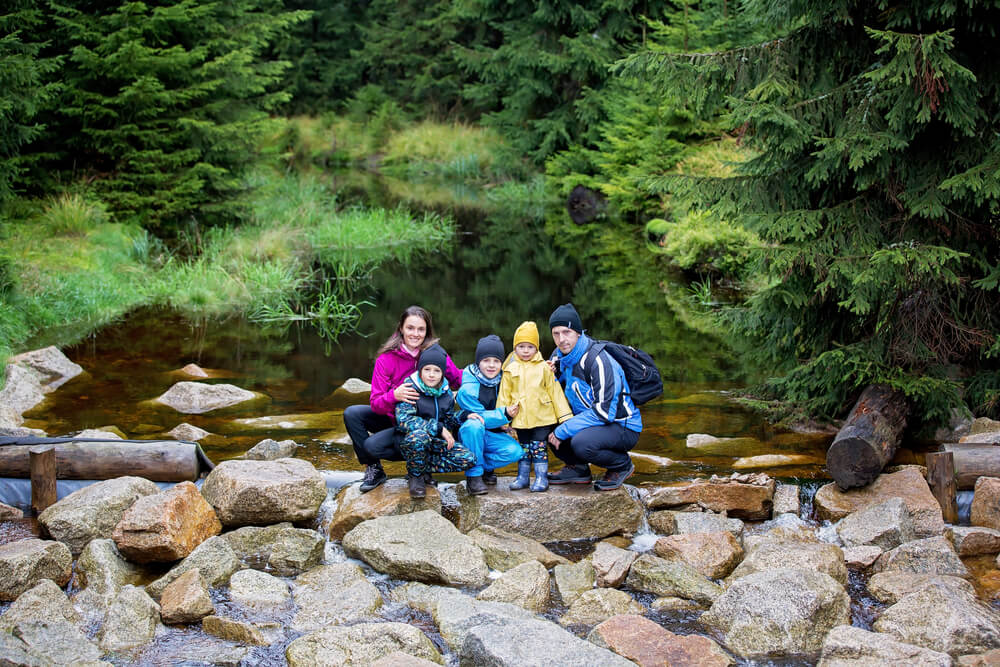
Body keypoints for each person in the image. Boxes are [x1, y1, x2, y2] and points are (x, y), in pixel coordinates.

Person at [343, 305, 462, 492]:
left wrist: (487, 374)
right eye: (410, 328)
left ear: (427, 331)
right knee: (352, 414)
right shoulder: (386, 359)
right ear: (401, 329)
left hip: (425, 424)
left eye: (421, 329)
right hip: (394, 419)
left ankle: (422, 465)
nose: (415, 334)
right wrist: (394, 395)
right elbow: (376, 403)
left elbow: (458, 380)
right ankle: (374, 469)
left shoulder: (434, 355)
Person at [545, 303, 642, 490]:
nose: (561, 339)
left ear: (578, 332)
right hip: (588, 420)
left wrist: (562, 430)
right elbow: (551, 394)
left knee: (582, 443)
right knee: (542, 420)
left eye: (567, 332)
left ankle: (621, 465)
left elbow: (604, 413)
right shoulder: (558, 356)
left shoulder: (598, 361)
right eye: (556, 334)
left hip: (621, 424)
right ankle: (577, 468)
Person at [497, 321, 572, 492]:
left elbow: (555, 392)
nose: (525, 351)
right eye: (521, 346)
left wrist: (565, 417)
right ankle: (523, 477)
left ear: (536, 349)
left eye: (530, 347)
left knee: (539, 447)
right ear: (515, 348)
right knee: (523, 449)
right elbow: (504, 395)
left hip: (542, 416)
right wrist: (502, 418)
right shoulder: (510, 369)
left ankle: (541, 478)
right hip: (521, 417)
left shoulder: (544, 368)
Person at [395, 344, 476, 498]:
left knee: (468, 459)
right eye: (427, 369)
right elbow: (404, 420)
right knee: (419, 437)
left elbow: (449, 420)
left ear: (442, 373)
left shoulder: (445, 393)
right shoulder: (409, 388)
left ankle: (424, 468)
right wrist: (438, 428)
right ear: (420, 370)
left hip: (435, 444)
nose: (431, 375)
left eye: (437, 371)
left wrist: (464, 416)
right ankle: (416, 476)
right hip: (412, 441)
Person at [455, 335, 524, 495]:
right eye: (486, 360)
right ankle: (474, 477)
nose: (491, 365)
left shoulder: (504, 379)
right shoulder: (468, 388)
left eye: (496, 361)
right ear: (478, 362)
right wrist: (504, 414)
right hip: (468, 435)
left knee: (515, 452)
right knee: (474, 426)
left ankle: (484, 467)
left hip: (491, 435)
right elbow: (479, 418)